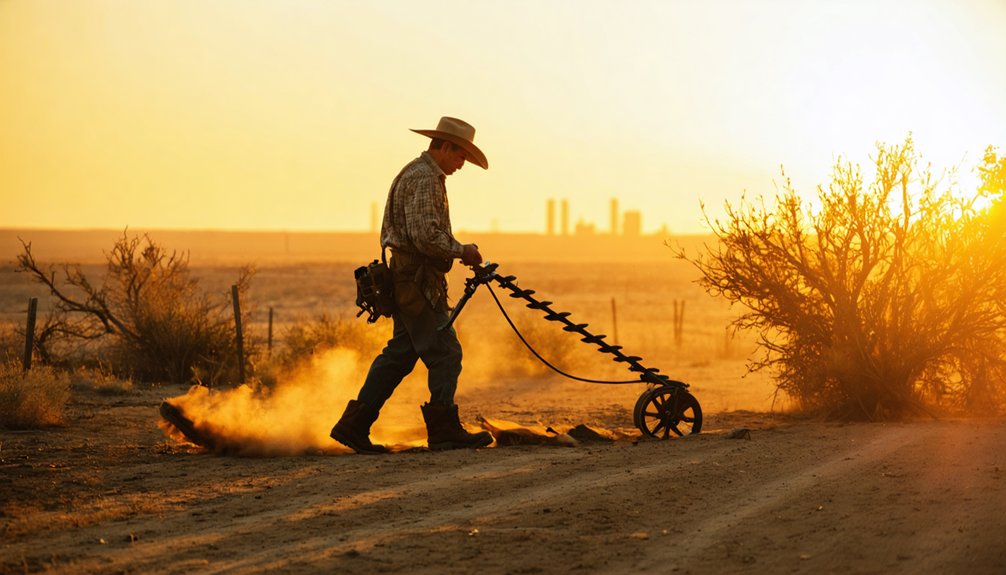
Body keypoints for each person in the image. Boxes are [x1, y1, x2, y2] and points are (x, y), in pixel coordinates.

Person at [330, 116, 494, 454]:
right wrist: (462, 250)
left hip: (409, 279)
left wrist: (457, 251)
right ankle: (444, 431)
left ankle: (354, 425)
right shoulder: (424, 179)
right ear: (445, 147)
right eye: (460, 155)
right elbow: (425, 237)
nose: (462, 164)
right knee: (446, 351)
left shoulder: (417, 174)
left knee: (401, 354)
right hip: (417, 282)